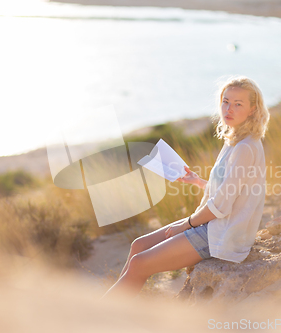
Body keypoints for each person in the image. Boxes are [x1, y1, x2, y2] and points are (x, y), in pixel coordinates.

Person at [100, 75, 270, 300]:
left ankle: (101, 317)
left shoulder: (245, 148)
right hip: (214, 223)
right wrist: (198, 182)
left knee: (140, 263)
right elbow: (230, 192)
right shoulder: (236, 141)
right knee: (138, 245)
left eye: (238, 104)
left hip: (223, 234)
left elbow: (222, 206)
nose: (229, 109)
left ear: (253, 109)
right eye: (225, 101)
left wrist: (186, 225)